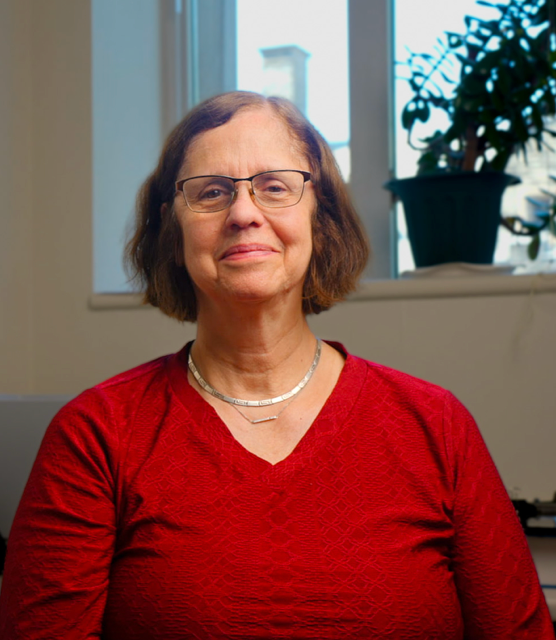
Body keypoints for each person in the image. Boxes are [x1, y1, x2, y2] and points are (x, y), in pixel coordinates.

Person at [0, 91, 553, 640]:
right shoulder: (96, 434)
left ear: (321, 219)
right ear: (173, 232)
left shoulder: (436, 425)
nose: (244, 213)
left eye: (274, 187)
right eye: (212, 192)